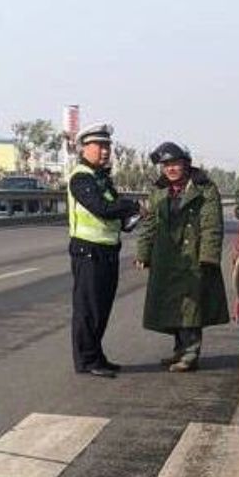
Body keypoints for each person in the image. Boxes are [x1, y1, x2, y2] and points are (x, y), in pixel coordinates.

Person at [135, 141, 228, 372]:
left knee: (191, 306)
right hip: (166, 257)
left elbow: (212, 225)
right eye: (166, 165)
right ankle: (179, 350)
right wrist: (143, 253)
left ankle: (190, 353)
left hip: (193, 256)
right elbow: (149, 223)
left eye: (174, 163)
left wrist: (208, 255)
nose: (170, 169)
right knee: (173, 306)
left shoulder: (204, 188)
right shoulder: (159, 190)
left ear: (186, 164)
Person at [67, 122, 141, 378]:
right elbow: (101, 208)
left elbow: (115, 211)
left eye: (108, 146)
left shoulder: (101, 178)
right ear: (84, 148)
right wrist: (130, 206)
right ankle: (86, 360)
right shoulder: (81, 178)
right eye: (99, 146)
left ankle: (96, 355)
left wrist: (131, 216)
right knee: (89, 309)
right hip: (88, 251)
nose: (105, 151)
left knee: (102, 307)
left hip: (107, 250)